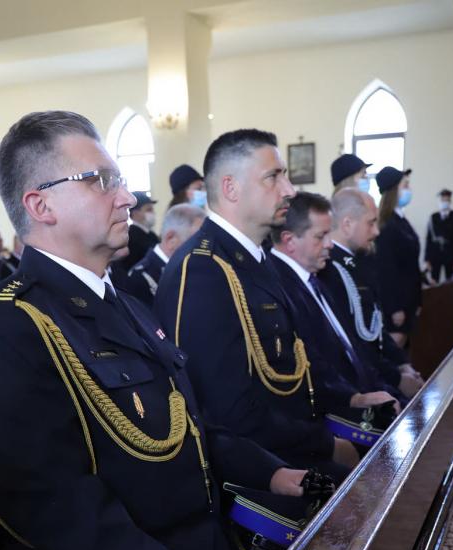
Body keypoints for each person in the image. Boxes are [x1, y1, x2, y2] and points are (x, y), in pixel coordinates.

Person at [0, 110, 312, 550]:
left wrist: (272, 472)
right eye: (101, 181)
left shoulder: (122, 305)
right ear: (41, 205)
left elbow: (188, 429)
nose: (126, 197)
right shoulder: (9, 327)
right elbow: (59, 513)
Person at [156, 129, 358, 480]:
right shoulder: (203, 270)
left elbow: (294, 365)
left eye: (285, 176)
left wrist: (349, 402)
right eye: (273, 177)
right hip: (263, 470)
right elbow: (227, 412)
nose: (289, 190)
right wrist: (325, 445)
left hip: (294, 443)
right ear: (231, 188)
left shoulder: (256, 258)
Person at [270, 192, 400, 441]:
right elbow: (310, 363)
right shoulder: (280, 287)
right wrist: (356, 398)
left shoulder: (314, 278)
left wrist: (384, 389)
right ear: (290, 241)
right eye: (321, 236)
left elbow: (351, 347)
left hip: (358, 395)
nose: (330, 244)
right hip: (332, 414)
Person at [322, 188, 424, 399]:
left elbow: (375, 329)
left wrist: (402, 363)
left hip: (377, 373)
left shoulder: (358, 262)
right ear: (347, 224)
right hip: (361, 385)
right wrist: (396, 379)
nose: (377, 231)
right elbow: (354, 344)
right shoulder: (330, 270)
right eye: (371, 223)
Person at [374, 166, 422, 347]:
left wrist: (418, 299)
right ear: (393, 190)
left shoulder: (401, 219)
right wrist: (394, 308)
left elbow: (411, 263)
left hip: (408, 299)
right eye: (405, 185)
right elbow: (386, 269)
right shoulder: (387, 224)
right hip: (397, 304)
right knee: (395, 349)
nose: (409, 190)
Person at [127, 204, 204, 306]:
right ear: (171, 239)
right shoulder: (140, 279)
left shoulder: (190, 268)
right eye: (197, 241)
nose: (204, 248)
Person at [425, 189, 453, 282]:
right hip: (435, 254)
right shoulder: (433, 217)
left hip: (451, 254)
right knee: (434, 282)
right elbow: (429, 238)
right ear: (439, 201)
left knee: (451, 282)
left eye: (447, 200)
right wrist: (427, 259)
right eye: (443, 200)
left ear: (450, 201)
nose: (445, 202)